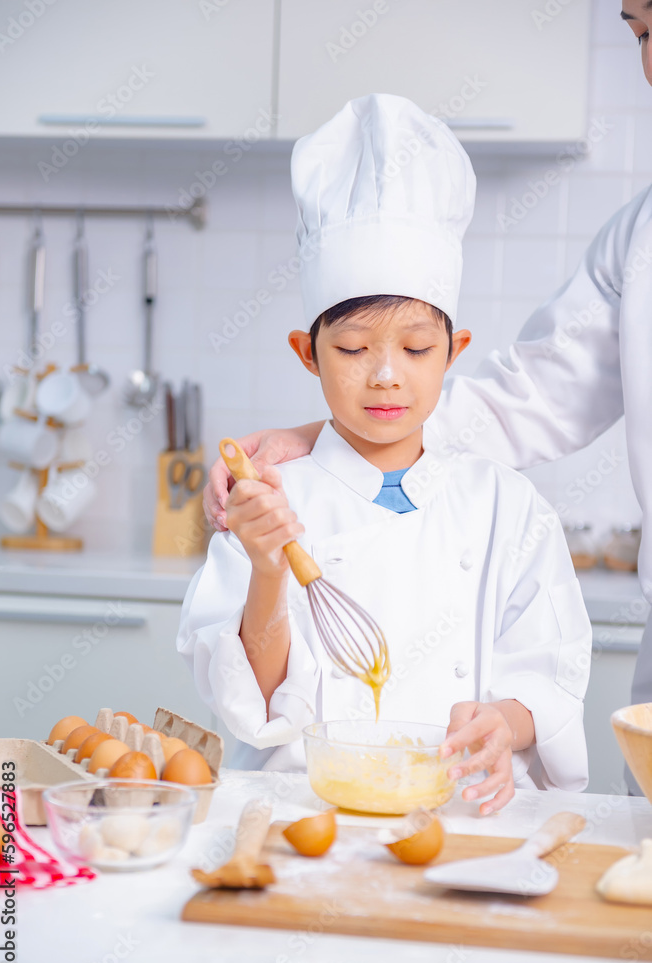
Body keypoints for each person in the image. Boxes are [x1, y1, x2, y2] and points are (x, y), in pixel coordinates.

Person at [203, 3, 652, 794]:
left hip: (463, 822)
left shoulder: (506, 511)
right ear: (309, 354)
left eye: (415, 350)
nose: (385, 375)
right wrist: (313, 448)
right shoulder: (279, 501)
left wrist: (507, 720)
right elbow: (524, 398)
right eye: (641, 33)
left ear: (451, 350)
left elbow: (546, 673)